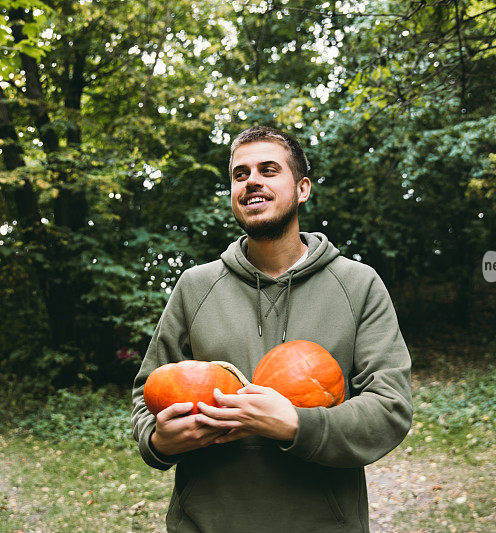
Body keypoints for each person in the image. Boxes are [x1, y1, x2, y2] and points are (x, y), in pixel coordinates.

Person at [131, 125, 412, 532]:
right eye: (240, 174)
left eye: (268, 170)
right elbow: (147, 393)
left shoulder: (359, 284)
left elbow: (390, 407)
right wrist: (158, 442)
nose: (252, 182)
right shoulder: (195, 287)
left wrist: (298, 425)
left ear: (302, 189)